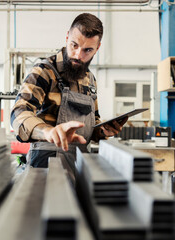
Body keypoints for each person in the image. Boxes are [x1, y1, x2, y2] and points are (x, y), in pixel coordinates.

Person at [11, 13, 127, 179]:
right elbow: (19, 112)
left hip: (79, 159)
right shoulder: (44, 71)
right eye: (74, 45)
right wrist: (48, 132)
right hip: (45, 160)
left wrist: (103, 130)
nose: (78, 55)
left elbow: (94, 119)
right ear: (67, 37)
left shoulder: (90, 79)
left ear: (98, 48)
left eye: (87, 50)